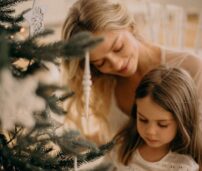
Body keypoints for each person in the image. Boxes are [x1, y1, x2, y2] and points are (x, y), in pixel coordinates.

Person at [60, 0, 202, 145]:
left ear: (130, 26)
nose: (116, 64)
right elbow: (115, 139)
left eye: (118, 47)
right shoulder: (105, 83)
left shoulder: (191, 67)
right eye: (100, 62)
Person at [112, 66, 202, 171]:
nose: (150, 131)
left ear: (183, 121)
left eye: (162, 124)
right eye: (143, 120)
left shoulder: (184, 166)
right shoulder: (124, 146)